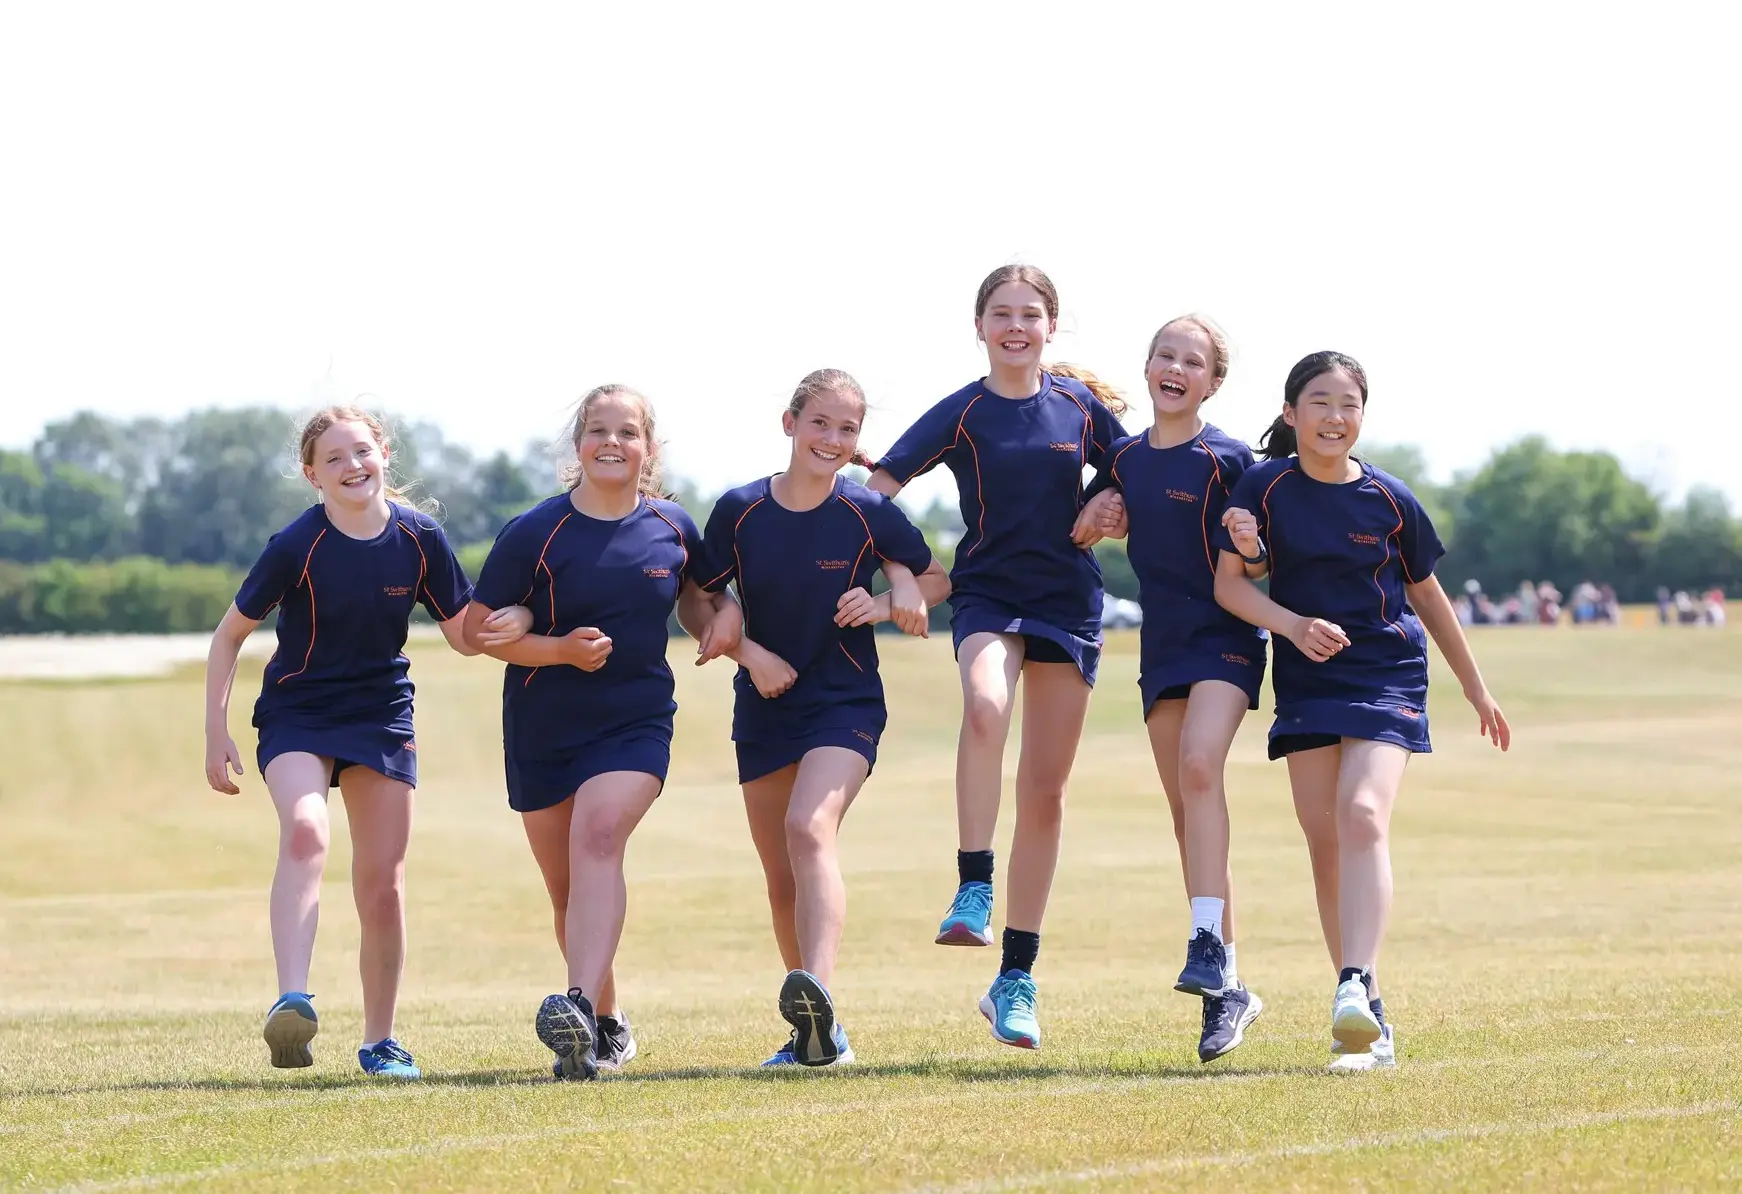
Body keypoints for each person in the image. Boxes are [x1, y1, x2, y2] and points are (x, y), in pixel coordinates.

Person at [203, 405, 531, 1079]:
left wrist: (522, 623)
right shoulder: (297, 544)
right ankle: (292, 1001)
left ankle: (381, 1042)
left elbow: (465, 636)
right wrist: (216, 730)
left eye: (362, 452)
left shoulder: (420, 538)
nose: (352, 466)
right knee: (305, 831)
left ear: (384, 454)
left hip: (381, 717)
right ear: (312, 475)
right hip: (298, 712)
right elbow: (230, 635)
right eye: (334, 459)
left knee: (382, 885)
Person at [1212, 351, 1511, 1074]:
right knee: (1325, 845)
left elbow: (1429, 595)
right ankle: (1367, 1012)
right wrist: (1290, 625)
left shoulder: (1390, 497)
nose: (1334, 417)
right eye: (1319, 402)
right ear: (1291, 414)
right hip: (1309, 677)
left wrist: (1475, 685)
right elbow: (1232, 587)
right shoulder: (1266, 488)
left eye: (1348, 404)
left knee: (1363, 816)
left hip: (1387, 672)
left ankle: (1350, 984)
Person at [867, 264, 1127, 1049]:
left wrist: (1110, 503)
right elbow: (877, 490)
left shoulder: (1080, 408)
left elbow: (1139, 477)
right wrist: (901, 578)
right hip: (984, 595)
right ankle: (972, 885)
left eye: (1031, 313)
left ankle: (1014, 978)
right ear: (979, 326)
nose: (1016, 325)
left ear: (1052, 326)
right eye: (1002, 313)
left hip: (1068, 603)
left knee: (1044, 795)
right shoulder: (964, 410)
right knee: (985, 705)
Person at [462, 384, 739, 1080]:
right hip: (542, 726)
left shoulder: (674, 526)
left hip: (635, 721)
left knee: (599, 836)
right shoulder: (535, 532)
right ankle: (607, 1027)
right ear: (578, 444)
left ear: (648, 450)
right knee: (569, 890)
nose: (611, 443)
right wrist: (550, 643)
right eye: (597, 430)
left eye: (627, 433)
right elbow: (475, 632)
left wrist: (723, 625)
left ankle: (577, 1006)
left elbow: (702, 594)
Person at [698, 369, 951, 1067]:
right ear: (789, 423)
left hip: (846, 703)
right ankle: (815, 1034)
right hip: (764, 704)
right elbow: (703, 602)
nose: (832, 439)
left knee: (808, 828)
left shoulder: (869, 510)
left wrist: (892, 591)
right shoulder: (738, 510)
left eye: (847, 430)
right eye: (820, 423)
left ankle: (822, 997)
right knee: (781, 877)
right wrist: (749, 655)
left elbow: (934, 577)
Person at [1070, 314, 1266, 1062]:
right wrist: (1093, 516)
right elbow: (1079, 523)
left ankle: (1206, 942)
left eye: (1193, 361)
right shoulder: (1124, 459)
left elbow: (1258, 554)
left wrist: (1252, 546)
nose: (1175, 367)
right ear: (1149, 367)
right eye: (1165, 354)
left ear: (1213, 383)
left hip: (1227, 640)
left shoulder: (1230, 459)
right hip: (1163, 647)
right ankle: (1229, 992)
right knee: (1190, 811)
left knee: (1198, 769)